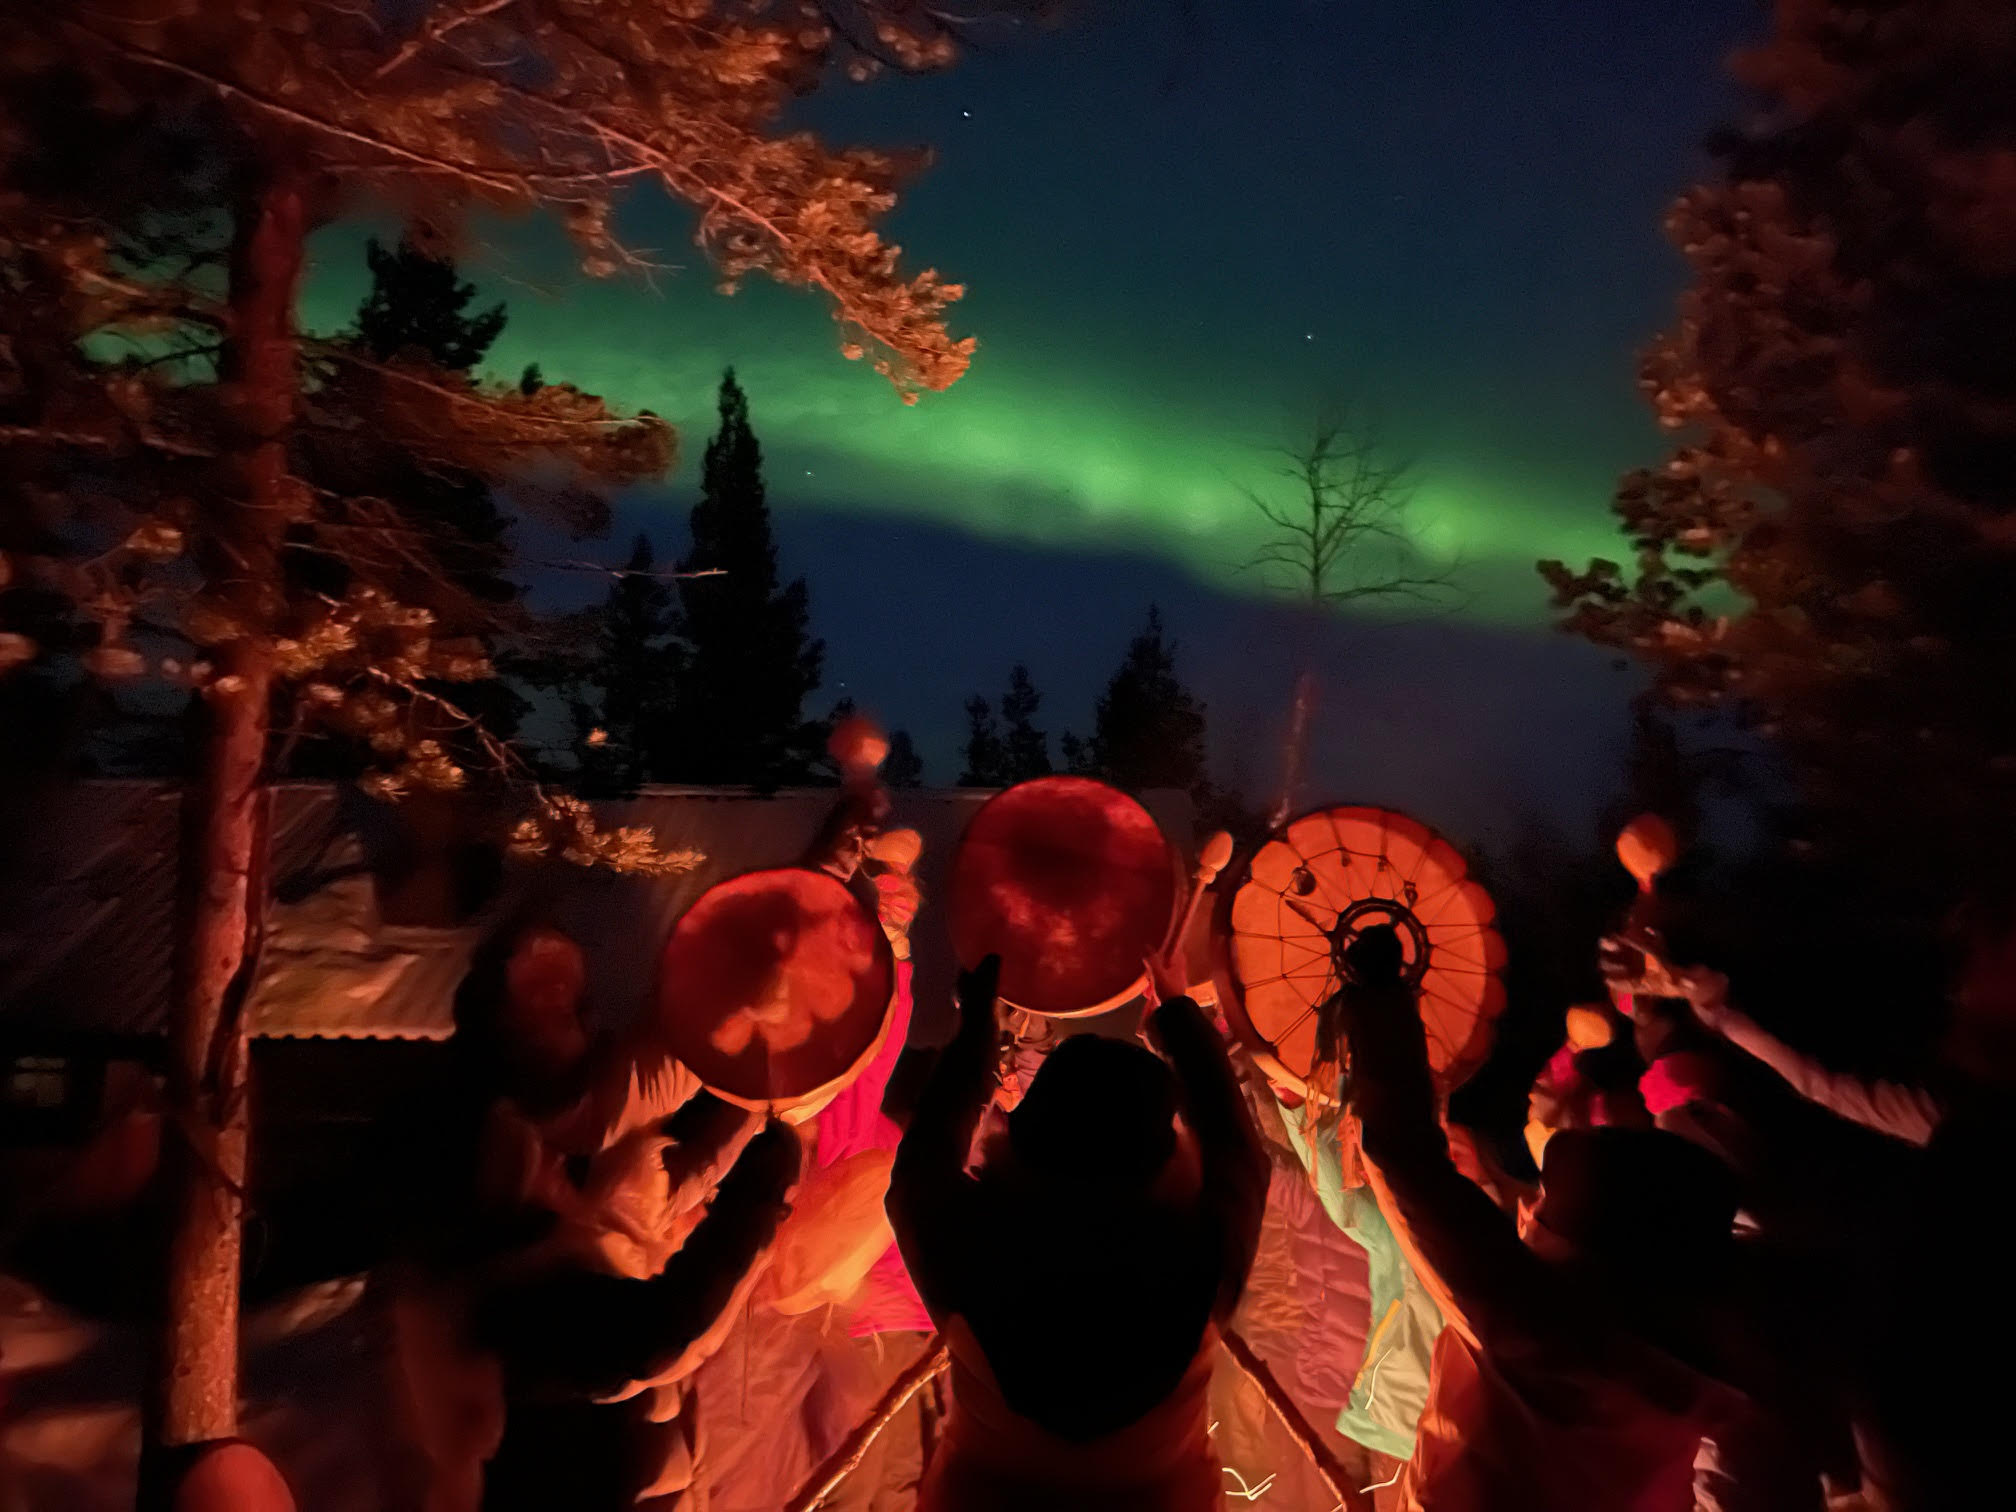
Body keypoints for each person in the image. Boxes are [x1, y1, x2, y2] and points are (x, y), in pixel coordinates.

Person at [1342, 924, 1760, 1512]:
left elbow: (1403, 1157)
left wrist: (1379, 999)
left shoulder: (1538, 1331)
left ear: (1581, 1247)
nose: (1527, 1207)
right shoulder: (1695, 1369)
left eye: (1541, 1202)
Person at [887, 950, 1268, 1511]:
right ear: (1162, 1158)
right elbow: (1239, 1152)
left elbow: (921, 1163)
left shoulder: (971, 1247)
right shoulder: (1199, 1259)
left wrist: (976, 1034)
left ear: (1020, 1139)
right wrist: (1177, 1015)